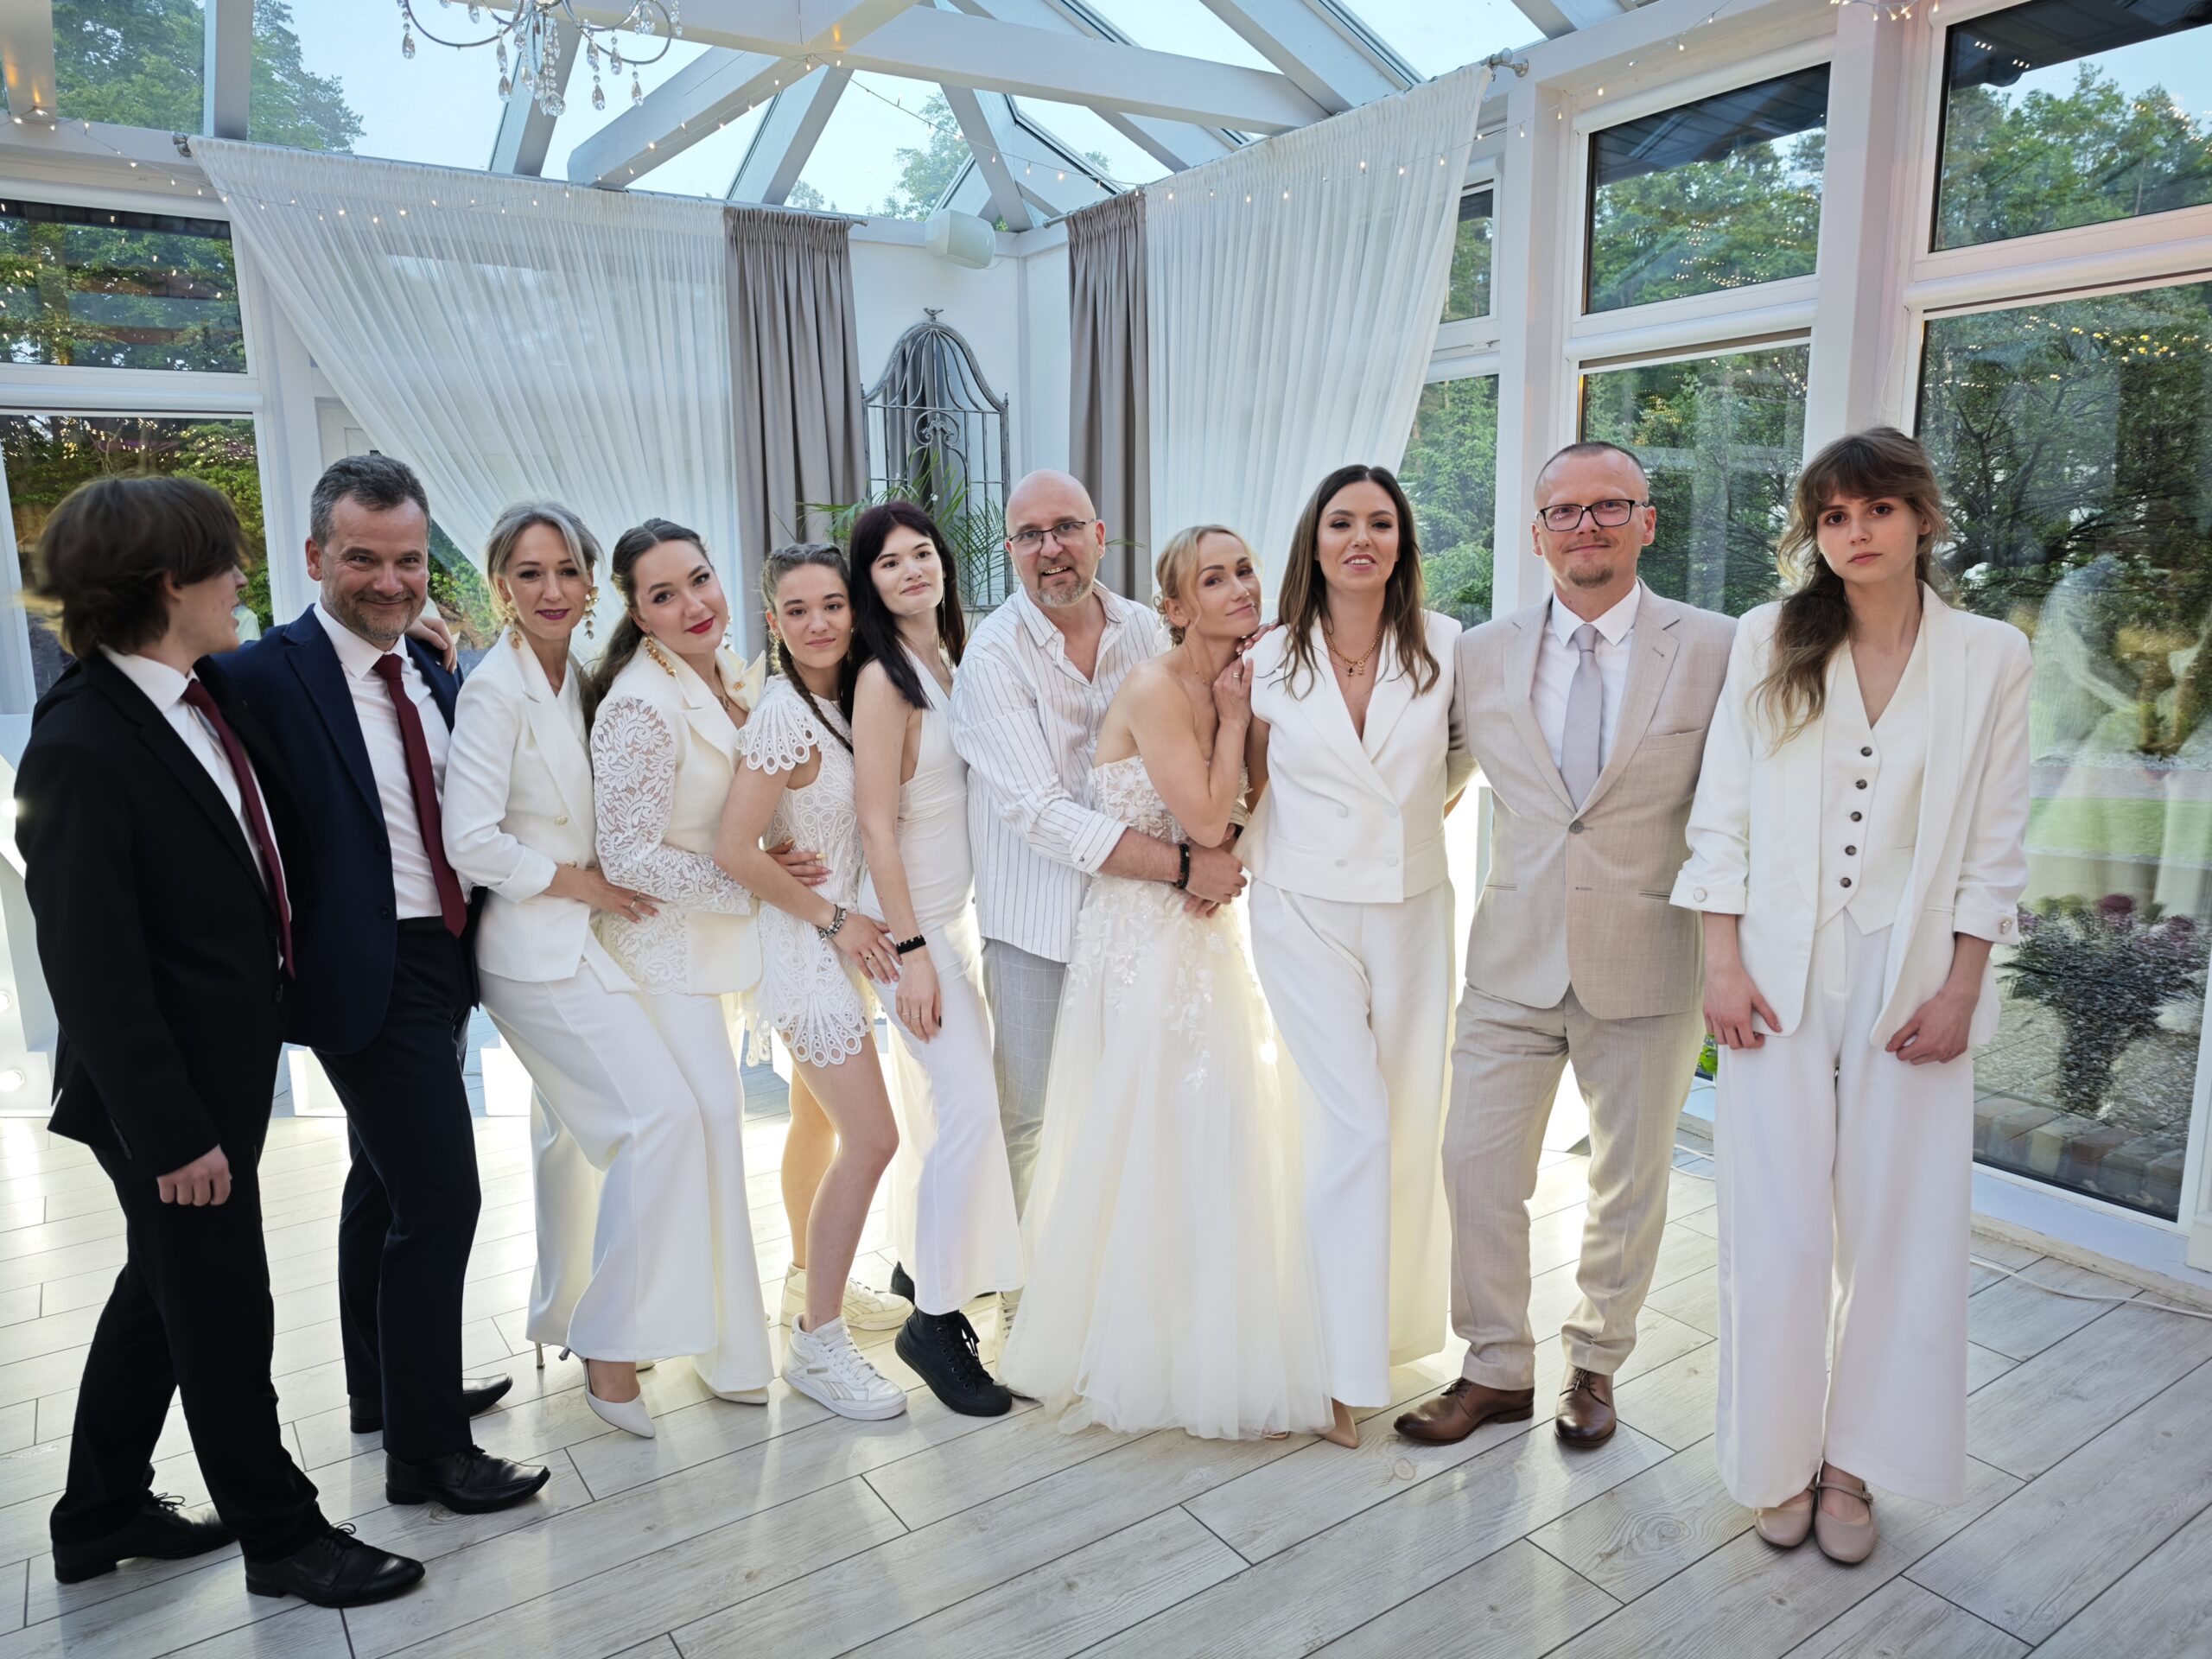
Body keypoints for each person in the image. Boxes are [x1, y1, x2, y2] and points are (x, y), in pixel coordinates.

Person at [20, 476, 420, 1605]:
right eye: (227, 561)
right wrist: (170, 1133)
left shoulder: (193, 696)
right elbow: (90, 970)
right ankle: (282, 1539)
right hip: (170, 1098)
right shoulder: (82, 741)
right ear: (167, 584)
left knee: (164, 1292)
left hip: (219, 1072)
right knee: (222, 1310)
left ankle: (99, 1512)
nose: (245, 578)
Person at [1673, 427, 2031, 1564]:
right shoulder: (1768, 637)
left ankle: (1853, 1465)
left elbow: (1996, 839)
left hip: (1910, 968)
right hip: (1776, 965)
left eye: (1877, 508)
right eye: (1833, 516)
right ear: (1813, 534)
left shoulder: (1991, 656)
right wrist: (1720, 962)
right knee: (1773, 1229)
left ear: (1922, 517)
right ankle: (1774, 1459)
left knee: (1900, 1229)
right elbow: (1722, 811)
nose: (1856, 532)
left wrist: (1963, 986)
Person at [221, 454, 546, 1514]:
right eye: (363, 558)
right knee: (442, 1197)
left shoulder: (430, 668)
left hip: (443, 955)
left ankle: (386, 1391)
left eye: (408, 561)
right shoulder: (257, 677)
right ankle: (427, 1455)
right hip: (361, 970)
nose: (390, 581)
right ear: (315, 556)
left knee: (382, 1181)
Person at [1395, 441, 1735, 1452]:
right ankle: (1496, 1367)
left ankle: (1595, 1363)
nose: (1586, 526)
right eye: (1564, 512)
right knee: (1474, 1164)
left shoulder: (1716, 648)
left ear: (1646, 521)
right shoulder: (1479, 654)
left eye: (1608, 507)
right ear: (1536, 533)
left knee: (1627, 1181)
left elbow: (1741, 809)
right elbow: (1423, 776)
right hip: (1512, 957)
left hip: (1650, 957)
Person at [1001, 527, 1342, 1443]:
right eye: (1214, 580)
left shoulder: (1249, 679)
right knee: (1155, 1129)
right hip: (1140, 938)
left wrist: (1246, 731)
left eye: (1246, 572)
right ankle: (1141, 1347)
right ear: (1176, 608)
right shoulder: (1157, 687)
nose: (1240, 589)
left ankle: (1216, 1341)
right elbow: (1204, 817)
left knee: (1217, 1126)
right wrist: (1231, 723)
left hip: (1203, 931)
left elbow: (1257, 806)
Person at [949, 470, 1246, 1344]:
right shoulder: (992, 657)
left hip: (1142, 922)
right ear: (1011, 551)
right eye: (1029, 535)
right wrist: (1185, 865)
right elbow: (1041, 814)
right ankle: (1026, 1305)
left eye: (1066, 528)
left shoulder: (1148, 627)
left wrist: (1214, 845)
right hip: (1038, 917)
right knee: (1034, 1116)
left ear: (1100, 534)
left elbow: (1196, 747)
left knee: (1134, 1106)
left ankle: (1123, 1290)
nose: (1051, 549)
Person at [443, 502, 702, 1437]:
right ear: (500, 587)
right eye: (529, 573)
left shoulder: (577, 681)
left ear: (594, 585)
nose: (550, 589)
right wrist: (582, 885)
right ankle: (609, 1342)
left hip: (582, 941)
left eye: (566, 571)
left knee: (574, 1140)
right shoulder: (494, 691)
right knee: (660, 1119)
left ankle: (569, 1314)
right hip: (532, 952)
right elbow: (469, 840)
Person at [1242, 464, 1469, 1447]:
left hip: (1414, 908)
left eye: (1380, 522)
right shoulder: (1266, 657)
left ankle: (1386, 1333)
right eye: (1341, 522)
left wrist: (1409, 826)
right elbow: (1247, 782)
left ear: (1402, 541)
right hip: (1302, 908)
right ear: (1315, 541)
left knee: (1411, 1121)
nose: (1360, 538)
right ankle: (1332, 1374)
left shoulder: (1448, 646)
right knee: (1357, 1126)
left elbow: (1464, 756)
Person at [583, 518, 782, 1414]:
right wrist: (759, 887)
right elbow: (627, 855)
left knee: (711, 1133)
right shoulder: (639, 703)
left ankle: (698, 1336)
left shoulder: (726, 672)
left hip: (706, 946)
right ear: (637, 613)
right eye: (664, 595)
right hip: (659, 953)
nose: (694, 604)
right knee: (706, 1130)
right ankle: (717, 1350)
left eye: (700, 579)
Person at [715, 545, 907, 1421]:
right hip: (805, 950)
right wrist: (834, 920)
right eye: (797, 610)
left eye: (832, 604)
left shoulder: (850, 697)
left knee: (816, 1122)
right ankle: (817, 1344)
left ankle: (806, 1278)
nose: (819, 623)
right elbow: (734, 849)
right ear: (773, 622)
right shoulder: (784, 716)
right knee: (873, 1139)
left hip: (836, 943)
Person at [849, 502, 1024, 1415]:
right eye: (889, 562)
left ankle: (927, 1270)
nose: (912, 569)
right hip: (906, 933)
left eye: (922, 553)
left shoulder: (950, 660)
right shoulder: (884, 681)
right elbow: (875, 825)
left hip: (948, 924)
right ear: (868, 583)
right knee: (970, 1111)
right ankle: (934, 1322)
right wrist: (912, 951)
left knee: (957, 1112)